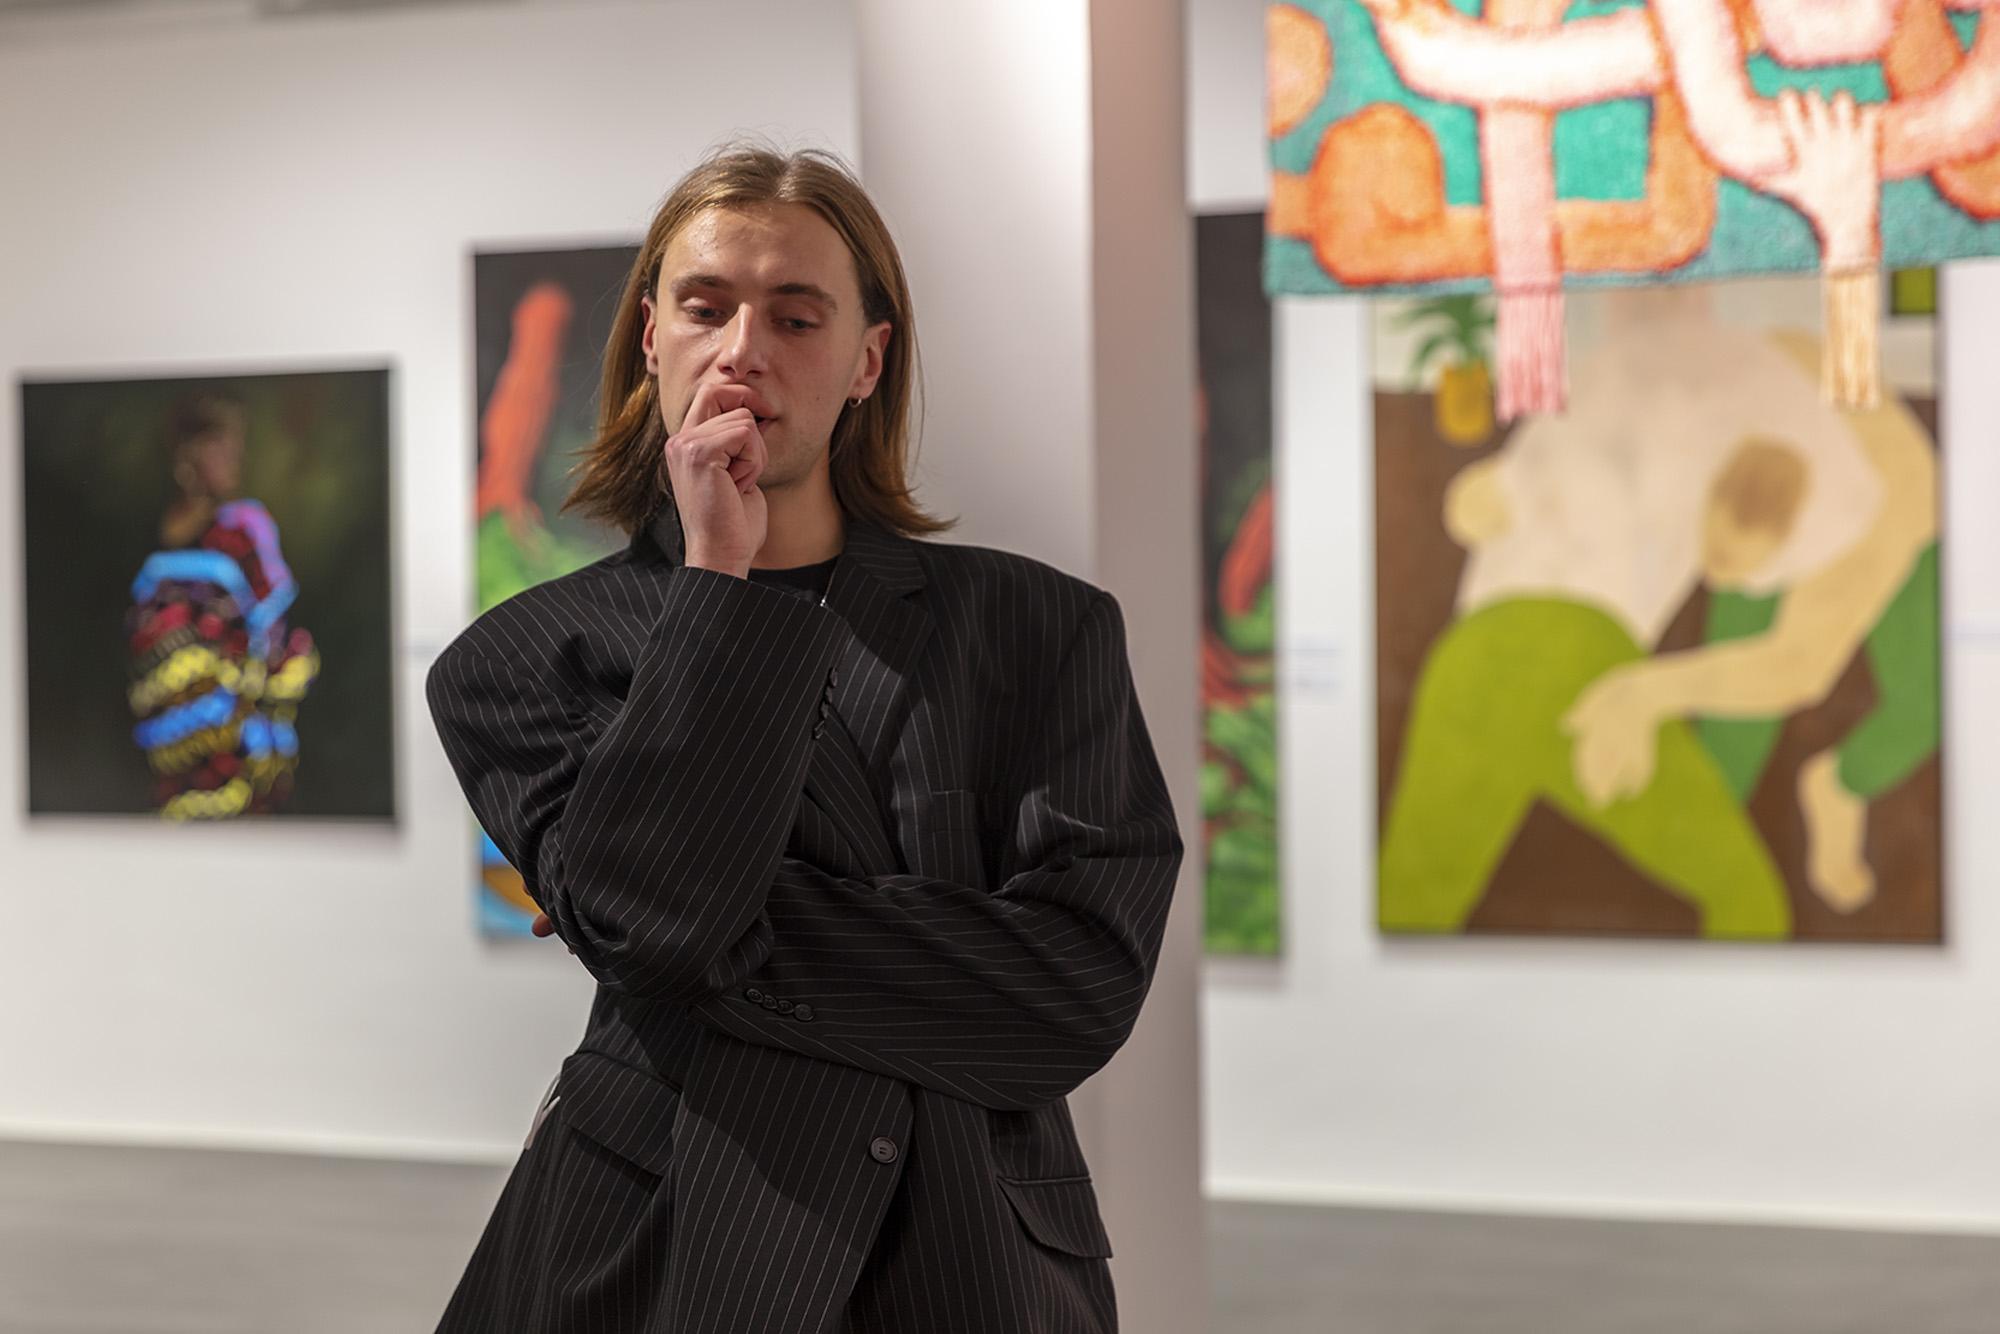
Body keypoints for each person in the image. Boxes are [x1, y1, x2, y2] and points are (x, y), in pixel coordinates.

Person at [425, 144, 1184, 1333]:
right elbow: (656, 925)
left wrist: (673, 915)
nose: (742, 349)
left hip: (965, 1247)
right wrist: (714, 580)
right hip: (655, 1244)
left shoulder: (1037, 627)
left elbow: (1075, 985)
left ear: (865, 359)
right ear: (651, 338)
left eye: (794, 315)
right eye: (704, 306)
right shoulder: (521, 659)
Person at [1379, 282, 1937, 937]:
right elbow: (1793, 662)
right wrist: (1634, 695)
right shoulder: (1748, 405)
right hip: (1580, 658)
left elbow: (1477, 506)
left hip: (1471, 657)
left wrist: (1642, 693)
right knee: (1748, 901)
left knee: (1407, 908)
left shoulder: (1641, 386)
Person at [126, 393, 319, 820]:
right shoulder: (146, 532)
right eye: (219, 445)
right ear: (186, 454)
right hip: (164, 741)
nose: (234, 458)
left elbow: (274, 635)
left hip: (235, 744)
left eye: (237, 445)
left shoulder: (245, 529)